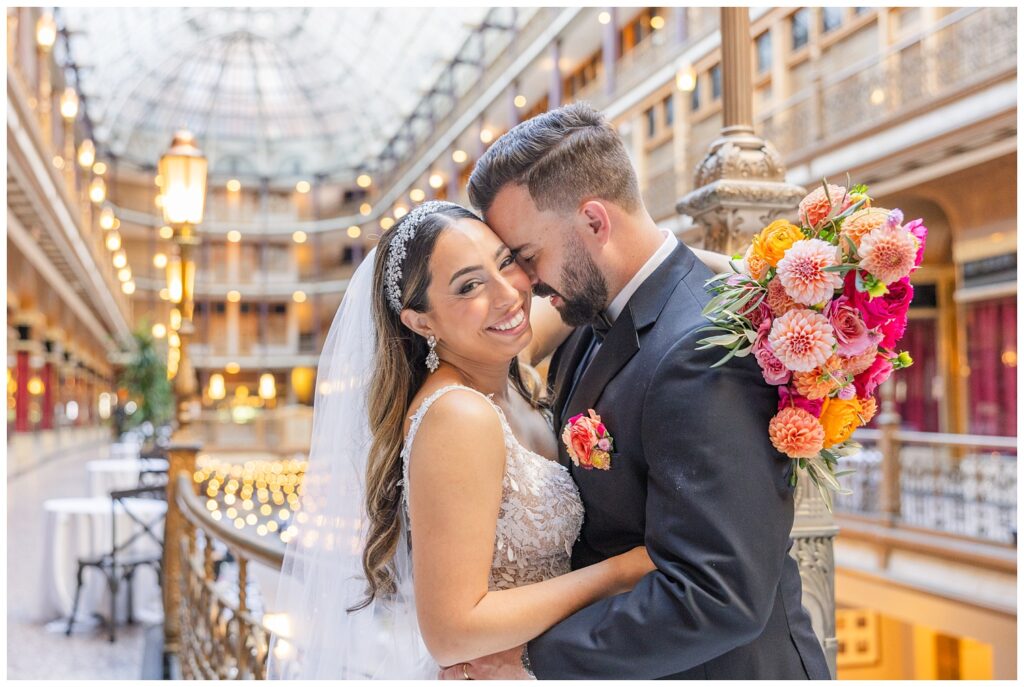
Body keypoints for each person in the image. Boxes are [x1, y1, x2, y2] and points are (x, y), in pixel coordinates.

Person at [436, 102, 831, 680]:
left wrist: (531, 659)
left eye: (525, 256)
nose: (526, 284)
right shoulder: (592, 315)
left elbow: (716, 594)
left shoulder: (700, 347)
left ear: (595, 222)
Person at [267, 199, 735, 679]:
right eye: (469, 285)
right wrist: (616, 574)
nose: (508, 294)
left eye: (506, 261)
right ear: (421, 321)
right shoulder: (459, 416)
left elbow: (622, 278)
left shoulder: (505, 367)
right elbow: (453, 630)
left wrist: (737, 271)